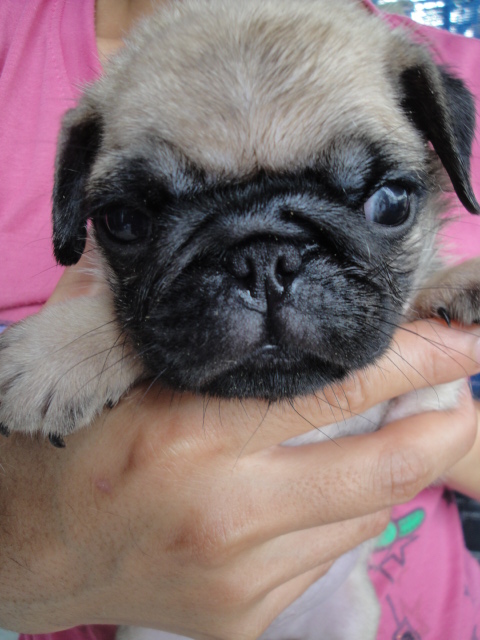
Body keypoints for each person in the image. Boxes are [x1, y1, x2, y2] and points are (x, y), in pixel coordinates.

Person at [0, 1, 478, 639]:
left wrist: (435, 348)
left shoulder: (451, 58)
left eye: (383, 205)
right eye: (137, 223)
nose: (267, 274)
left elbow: (435, 395)